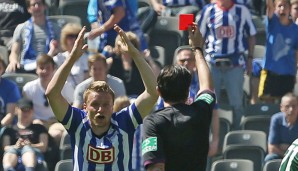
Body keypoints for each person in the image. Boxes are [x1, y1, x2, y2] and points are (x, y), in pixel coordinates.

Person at [45, 24, 158, 170]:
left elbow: (152, 93)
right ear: (85, 107)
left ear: (112, 107)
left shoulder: (125, 122)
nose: (100, 109)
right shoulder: (77, 122)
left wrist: (135, 54)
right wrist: (72, 58)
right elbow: (52, 94)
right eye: (95, 104)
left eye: (106, 105)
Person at [142, 23, 216, 171]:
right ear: (188, 91)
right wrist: (197, 49)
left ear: (159, 92)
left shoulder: (152, 122)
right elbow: (207, 87)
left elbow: (156, 166)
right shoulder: (201, 110)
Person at [198, 0, 256, 129]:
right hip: (212, 63)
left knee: (237, 103)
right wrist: (199, 58)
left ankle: (237, 131)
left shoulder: (242, 11)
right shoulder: (208, 11)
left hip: (234, 64)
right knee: (209, 101)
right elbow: (200, 36)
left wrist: (250, 58)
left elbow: (251, 35)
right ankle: (208, 134)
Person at [22, 54, 73, 145]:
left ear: (54, 69)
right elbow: (26, 110)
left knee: (57, 134)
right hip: (37, 123)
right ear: (36, 69)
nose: (44, 71)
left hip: (58, 123)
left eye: (48, 68)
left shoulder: (65, 86)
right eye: (41, 68)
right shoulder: (28, 88)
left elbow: (72, 107)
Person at [258, 0, 298, 103]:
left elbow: (296, 53)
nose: (282, 9)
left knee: (285, 104)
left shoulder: (295, 30)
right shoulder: (272, 22)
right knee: (267, 104)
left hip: (287, 74)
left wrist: (294, 73)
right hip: (270, 73)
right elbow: (269, 6)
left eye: (285, 6)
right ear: (275, 8)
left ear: (290, 9)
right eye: (279, 6)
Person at [5, 0, 60, 73]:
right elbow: (14, 52)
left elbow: (61, 49)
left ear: (44, 6)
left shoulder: (55, 28)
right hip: (27, 65)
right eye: (34, 5)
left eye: (39, 4)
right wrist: (13, 61)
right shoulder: (21, 28)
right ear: (28, 9)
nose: (37, 7)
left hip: (49, 64)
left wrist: (54, 50)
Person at [109, 31, 161, 97]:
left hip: (138, 99)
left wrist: (149, 60)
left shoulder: (140, 62)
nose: (128, 47)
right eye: (125, 43)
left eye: (131, 44)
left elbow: (158, 78)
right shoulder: (112, 61)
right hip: (117, 100)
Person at [2, 98, 48, 171]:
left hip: (34, 154)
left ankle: (29, 169)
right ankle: (9, 169)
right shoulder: (9, 130)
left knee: (27, 149)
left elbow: (44, 146)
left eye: (28, 110)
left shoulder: (40, 128)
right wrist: (16, 146)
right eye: (23, 110)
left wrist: (30, 145)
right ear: (17, 110)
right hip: (14, 153)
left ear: (32, 111)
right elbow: (5, 147)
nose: (26, 113)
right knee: (10, 151)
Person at [53, 23, 89, 89]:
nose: (74, 40)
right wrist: (52, 52)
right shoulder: (58, 58)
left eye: (77, 36)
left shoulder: (86, 58)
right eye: (70, 36)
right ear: (64, 39)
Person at [264, 93, 298, 162]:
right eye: (287, 106)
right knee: (269, 158)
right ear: (281, 108)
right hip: (281, 155)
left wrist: (287, 148)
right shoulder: (276, 119)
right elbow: (272, 148)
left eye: (294, 106)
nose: (291, 109)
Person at [0, 57, 21, 127]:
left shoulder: (11, 87)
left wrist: (1, 125)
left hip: (4, 125)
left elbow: (10, 114)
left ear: (3, 70)